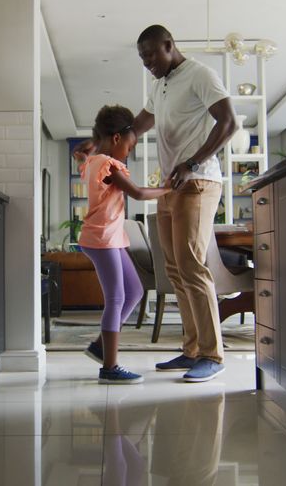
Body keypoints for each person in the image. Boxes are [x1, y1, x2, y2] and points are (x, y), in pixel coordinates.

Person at [76, 24, 237, 383]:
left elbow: (229, 123)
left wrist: (192, 162)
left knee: (192, 265)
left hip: (197, 179)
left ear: (169, 45)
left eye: (151, 54)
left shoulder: (200, 74)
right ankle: (193, 348)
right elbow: (134, 128)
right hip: (171, 184)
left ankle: (213, 354)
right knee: (175, 269)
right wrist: (98, 144)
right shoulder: (161, 85)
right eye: (142, 57)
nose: (147, 62)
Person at [78, 105, 171, 384]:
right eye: (130, 148)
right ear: (117, 139)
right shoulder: (107, 165)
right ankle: (109, 367)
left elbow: (79, 153)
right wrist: (171, 187)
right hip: (102, 238)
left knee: (134, 291)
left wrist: (92, 144)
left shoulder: (90, 161)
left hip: (110, 238)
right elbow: (139, 193)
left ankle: (99, 346)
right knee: (116, 298)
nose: (128, 153)